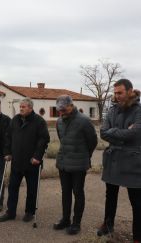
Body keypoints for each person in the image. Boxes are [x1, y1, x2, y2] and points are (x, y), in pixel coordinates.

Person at [97, 79, 141, 243]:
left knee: (136, 201)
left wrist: (113, 133)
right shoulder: (112, 110)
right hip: (114, 158)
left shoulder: (138, 111)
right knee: (111, 195)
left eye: (120, 93)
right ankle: (108, 225)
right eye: (115, 93)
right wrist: (121, 132)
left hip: (133, 162)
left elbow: (135, 133)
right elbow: (103, 132)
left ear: (130, 91)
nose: (117, 96)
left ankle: (138, 236)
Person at [0, 98, 50, 222]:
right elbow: (8, 137)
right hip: (16, 161)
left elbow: (43, 140)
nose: (21, 108)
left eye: (24, 107)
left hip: (32, 162)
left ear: (30, 108)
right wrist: (7, 152)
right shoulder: (15, 120)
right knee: (12, 188)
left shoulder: (39, 121)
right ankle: (11, 212)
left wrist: (37, 157)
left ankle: (29, 212)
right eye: (20, 106)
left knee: (32, 189)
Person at [53, 95, 98, 235]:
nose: (61, 112)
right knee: (65, 193)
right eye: (59, 110)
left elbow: (93, 142)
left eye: (64, 109)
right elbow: (63, 140)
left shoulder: (84, 121)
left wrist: (84, 155)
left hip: (79, 164)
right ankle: (65, 219)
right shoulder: (59, 121)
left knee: (78, 193)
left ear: (71, 106)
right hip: (63, 163)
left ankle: (76, 223)